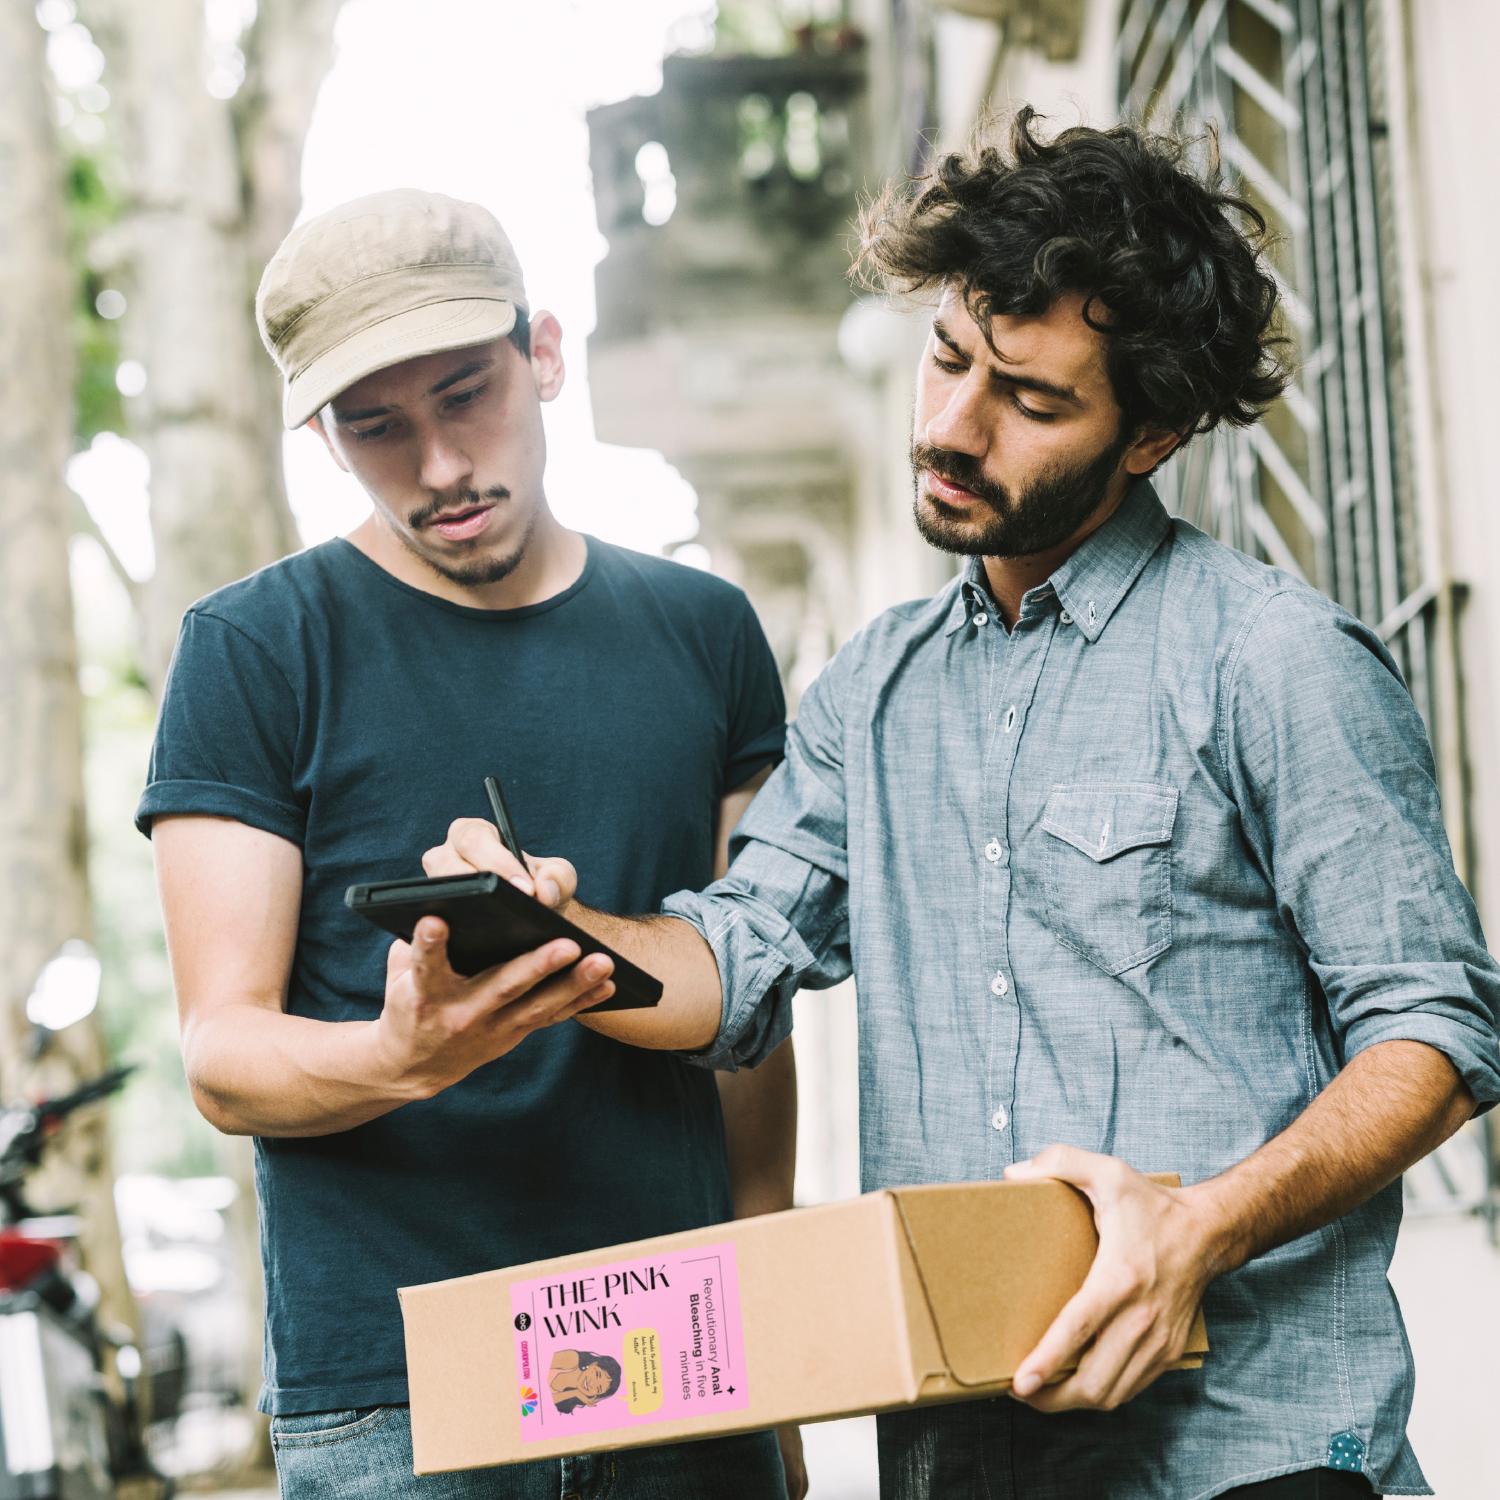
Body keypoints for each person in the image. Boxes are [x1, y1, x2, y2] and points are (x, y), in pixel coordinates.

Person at [425, 113, 1500, 1499]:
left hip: (1253, 1456)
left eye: (1031, 401)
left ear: (1153, 433)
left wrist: (1202, 1228)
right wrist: (552, 936)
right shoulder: (871, 689)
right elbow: (737, 961)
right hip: (970, 1460)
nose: (951, 425)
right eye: (947, 359)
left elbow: (1437, 1027)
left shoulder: (1275, 661)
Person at [137, 188, 804, 1499]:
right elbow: (223, 1055)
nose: (439, 466)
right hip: (399, 1397)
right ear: (328, 439)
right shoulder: (256, 650)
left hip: (686, 1353)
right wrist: (403, 1054)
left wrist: (776, 1334)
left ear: (544, 353)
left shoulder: (707, 633)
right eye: (376, 428)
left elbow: (746, 1011)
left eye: (466, 395)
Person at [550, 1351, 622, 1414]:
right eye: (597, 1374)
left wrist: (575, 1393)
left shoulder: (572, 1397)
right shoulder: (573, 1358)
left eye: (598, 1388)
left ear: (595, 1395)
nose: (591, 1384)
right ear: (593, 1364)